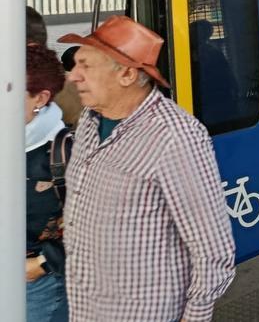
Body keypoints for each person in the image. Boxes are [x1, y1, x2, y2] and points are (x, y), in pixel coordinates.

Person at [59, 16, 235, 320]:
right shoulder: (90, 119)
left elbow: (213, 249)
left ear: (127, 74)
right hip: (87, 307)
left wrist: (195, 316)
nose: (73, 76)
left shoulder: (174, 137)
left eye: (85, 66)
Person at [25, 44, 69, 322]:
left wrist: (42, 264)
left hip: (36, 286)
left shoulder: (63, 153)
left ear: (40, 98)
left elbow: (98, 227)